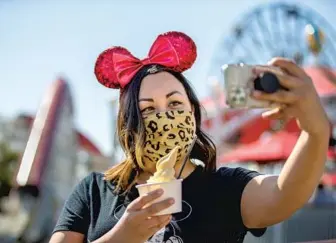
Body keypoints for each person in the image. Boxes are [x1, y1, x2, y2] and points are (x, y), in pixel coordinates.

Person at [49, 31, 330, 243]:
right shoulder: (95, 191)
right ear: (128, 124)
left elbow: (284, 195)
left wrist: (315, 130)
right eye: (148, 109)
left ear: (193, 114)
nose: (165, 117)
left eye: (175, 105)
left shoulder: (224, 188)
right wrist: (120, 238)